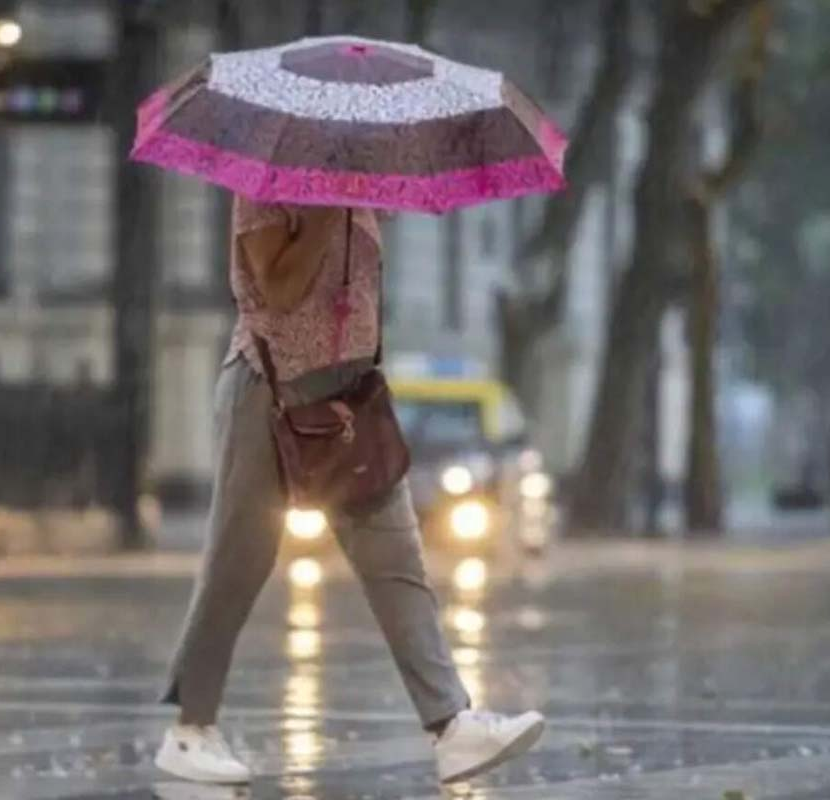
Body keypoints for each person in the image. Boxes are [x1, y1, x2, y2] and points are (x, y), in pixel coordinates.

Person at [154, 196, 545, 786]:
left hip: (347, 400)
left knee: (399, 564)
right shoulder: (270, 181)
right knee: (238, 562)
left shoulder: (356, 184)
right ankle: (189, 730)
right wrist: (323, 215)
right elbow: (278, 290)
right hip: (269, 395)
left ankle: (452, 726)